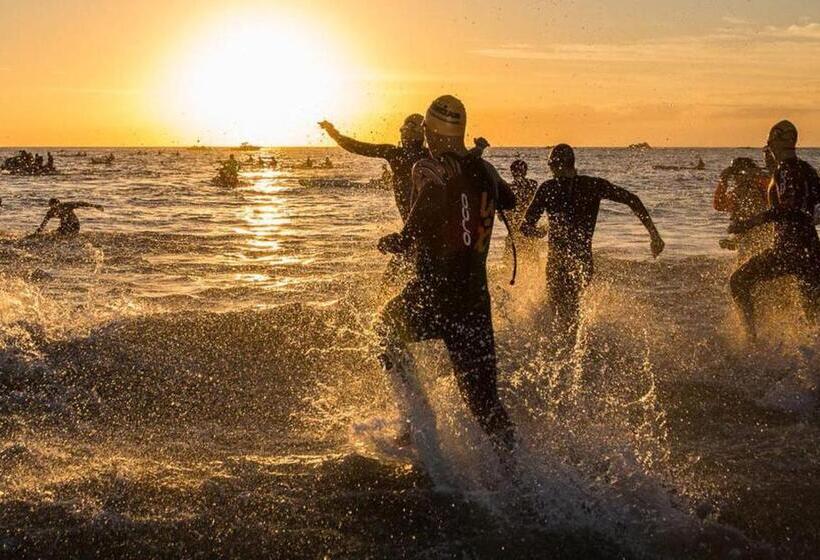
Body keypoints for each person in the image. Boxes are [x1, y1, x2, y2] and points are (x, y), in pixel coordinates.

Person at [376, 95, 517, 464]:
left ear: (434, 130)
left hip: (435, 295)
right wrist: (475, 164)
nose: (423, 134)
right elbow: (510, 200)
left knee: (384, 329)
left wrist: (390, 241)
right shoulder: (485, 171)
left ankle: (417, 420)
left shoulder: (435, 174)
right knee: (485, 404)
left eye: (425, 128)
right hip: (475, 302)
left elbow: (408, 237)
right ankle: (518, 473)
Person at [521, 144, 665, 348]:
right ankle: (577, 348)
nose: (552, 171)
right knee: (570, 306)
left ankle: (569, 351)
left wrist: (539, 232)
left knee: (561, 309)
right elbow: (632, 199)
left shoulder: (548, 188)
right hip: (582, 260)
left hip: (558, 260)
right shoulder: (592, 185)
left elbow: (525, 227)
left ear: (555, 165)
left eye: (552, 166)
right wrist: (654, 235)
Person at [728, 120, 820, 340]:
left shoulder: (785, 171)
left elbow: (787, 210)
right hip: (813, 251)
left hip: (788, 251)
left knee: (738, 282)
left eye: (769, 142)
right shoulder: (808, 170)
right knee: (813, 318)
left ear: (774, 142)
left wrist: (748, 223)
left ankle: (751, 339)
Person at [319, 115, 428, 222]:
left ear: (415, 132)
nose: (402, 134)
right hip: (427, 222)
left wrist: (333, 133)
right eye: (402, 130)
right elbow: (356, 147)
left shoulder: (396, 154)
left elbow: (356, 147)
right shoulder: (430, 155)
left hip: (414, 223)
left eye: (404, 130)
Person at [713, 157, 771, 257]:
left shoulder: (760, 186)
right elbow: (719, 205)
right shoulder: (737, 193)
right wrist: (723, 180)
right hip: (746, 233)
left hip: (760, 231)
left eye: (738, 173)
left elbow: (773, 196)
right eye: (735, 174)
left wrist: (757, 176)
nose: (737, 177)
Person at [505, 159, 540, 261]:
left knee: (509, 262)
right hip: (530, 229)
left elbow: (501, 217)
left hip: (513, 231)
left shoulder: (509, 188)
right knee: (533, 260)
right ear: (526, 171)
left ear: (512, 172)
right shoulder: (533, 185)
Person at [35, 198, 104, 236]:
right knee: (53, 234)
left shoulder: (67, 206)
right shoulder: (50, 212)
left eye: (56, 206)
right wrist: (37, 232)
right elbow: (44, 223)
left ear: (59, 204)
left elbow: (81, 203)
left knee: (62, 234)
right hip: (64, 226)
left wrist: (95, 206)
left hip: (74, 224)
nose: (55, 208)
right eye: (52, 207)